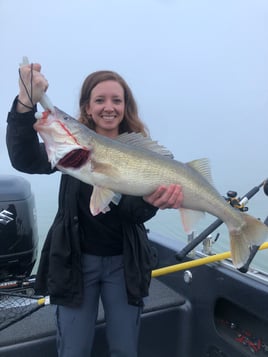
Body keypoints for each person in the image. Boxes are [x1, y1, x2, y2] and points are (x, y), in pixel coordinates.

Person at [6, 63, 184, 357]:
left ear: (126, 106)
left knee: (125, 349)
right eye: (100, 100)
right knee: (73, 350)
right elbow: (23, 157)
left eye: (117, 100)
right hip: (76, 262)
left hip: (124, 263)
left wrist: (151, 203)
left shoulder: (144, 153)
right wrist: (25, 104)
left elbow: (133, 214)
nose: (109, 107)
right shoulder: (69, 151)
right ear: (87, 108)